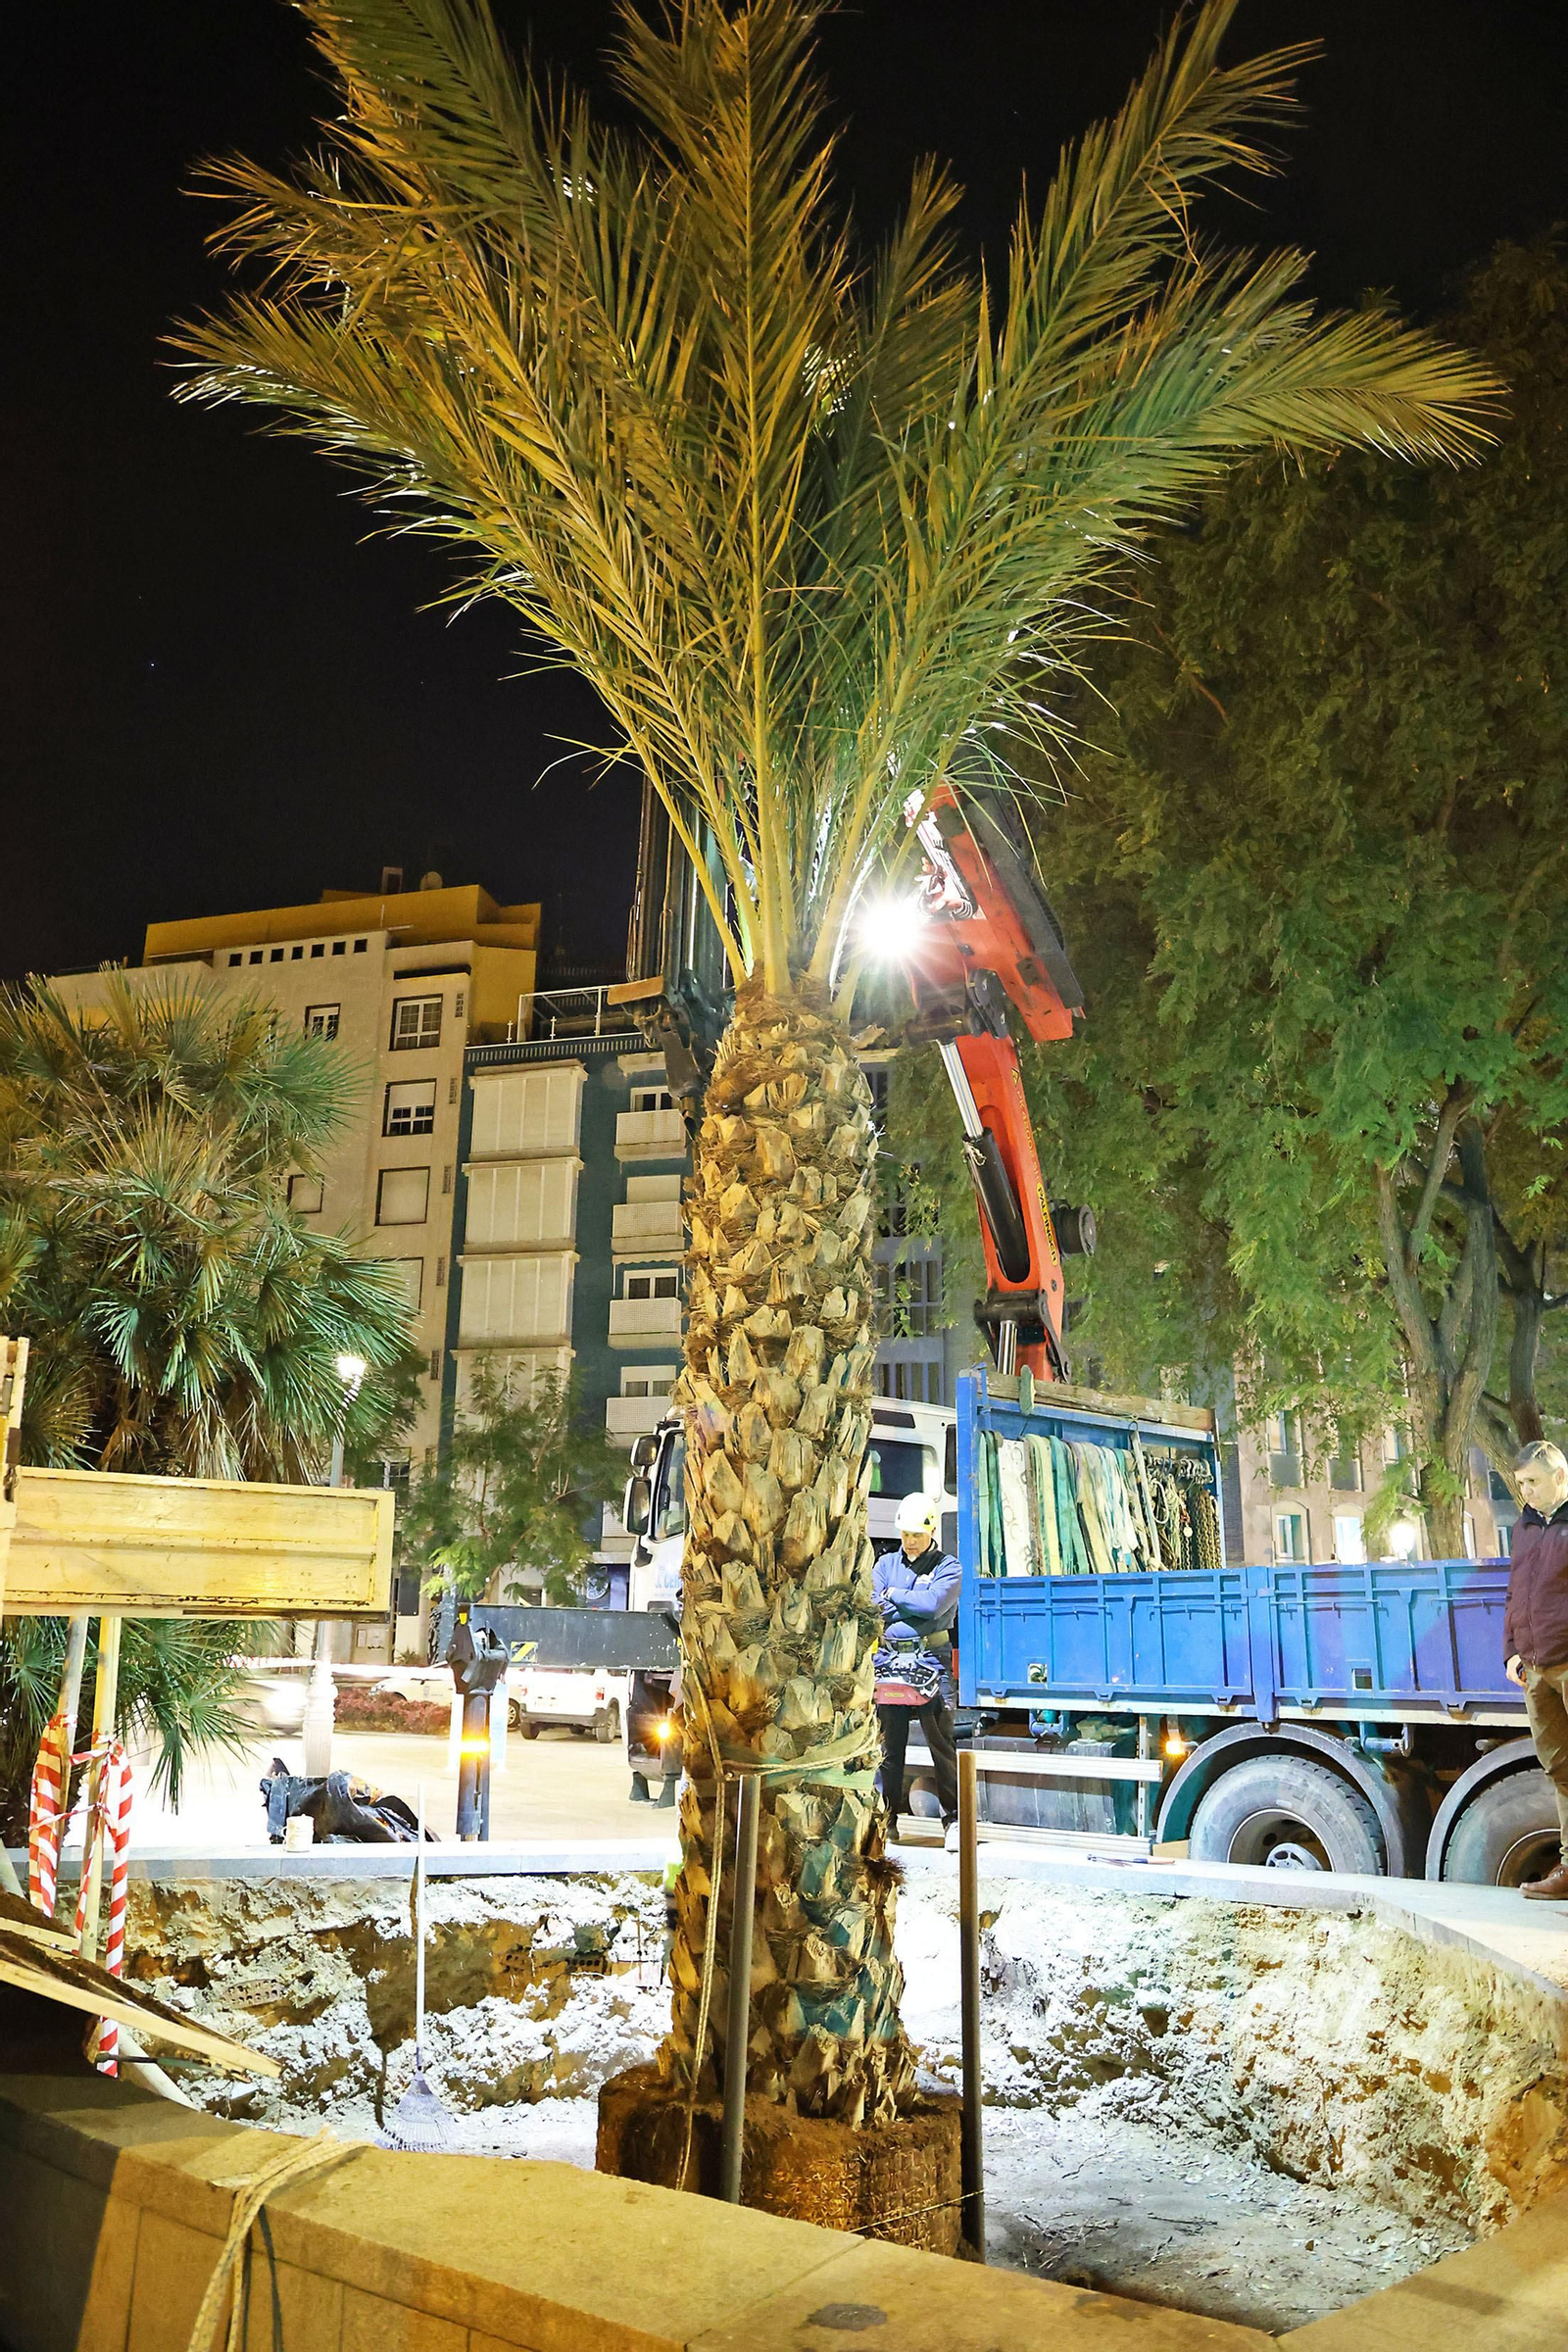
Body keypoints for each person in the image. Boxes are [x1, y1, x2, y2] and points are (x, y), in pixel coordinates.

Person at [873, 1492, 961, 1847]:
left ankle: (953, 1821)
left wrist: (893, 1595)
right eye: (905, 1534)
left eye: (916, 1535)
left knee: (941, 1743)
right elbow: (873, 1606)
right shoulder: (883, 1565)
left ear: (931, 1530)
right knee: (889, 1747)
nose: (910, 1542)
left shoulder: (948, 1567)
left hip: (930, 1661)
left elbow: (936, 1604)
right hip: (889, 1660)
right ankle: (887, 1819)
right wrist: (914, 1605)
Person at [1504, 1439, 1568, 1899]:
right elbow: (1515, 1594)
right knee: (1561, 1770)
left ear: (1559, 1477)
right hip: (1535, 1668)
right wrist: (1512, 1650)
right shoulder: (1524, 1527)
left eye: (1532, 1481)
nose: (1525, 1491)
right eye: (1520, 1482)